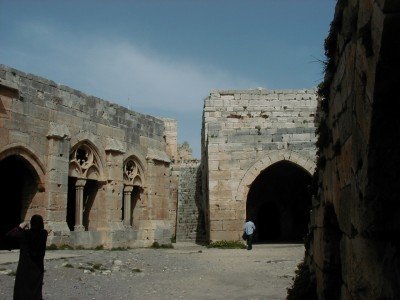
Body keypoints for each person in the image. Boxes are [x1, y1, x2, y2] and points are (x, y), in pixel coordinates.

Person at [6, 215, 48, 300]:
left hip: (24, 269)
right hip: (37, 268)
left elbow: (9, 235)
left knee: (22, 291)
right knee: (36, 290)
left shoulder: (24, 234)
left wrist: (20, 226)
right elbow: (37, 233)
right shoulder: (44, 234)